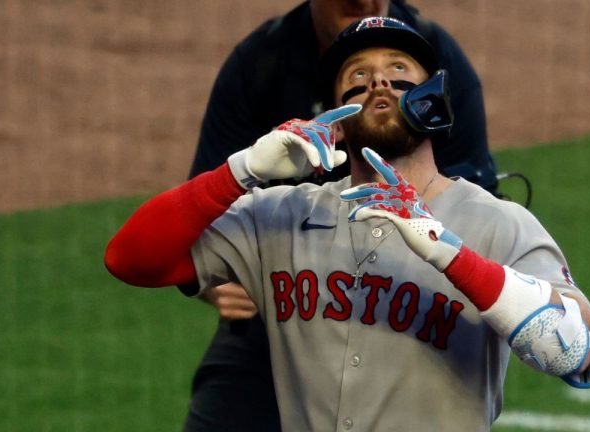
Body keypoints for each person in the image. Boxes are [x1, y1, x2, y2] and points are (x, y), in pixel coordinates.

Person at [105, 17, 590, 431]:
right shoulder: (280, 215)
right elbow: (130, 260)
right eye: (357, 75)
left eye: (399, 69)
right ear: (336, 114)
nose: (378, 81)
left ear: (434, 101)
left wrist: (451, 256)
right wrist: (243, 172)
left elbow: (578, 353)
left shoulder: (500, 224)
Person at [183, 1, 498, 430]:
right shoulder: (262, 62)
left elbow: (477, 201)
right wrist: (215, 283)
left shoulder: (435, 54)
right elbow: (200, 211)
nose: (363, 3)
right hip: (285, 300)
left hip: (410, 303)